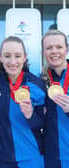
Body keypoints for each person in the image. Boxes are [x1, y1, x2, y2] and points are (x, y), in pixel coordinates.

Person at [0, 36, 46, 168]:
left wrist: (31, 115)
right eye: (7, 56)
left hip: (32, 156)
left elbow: (42, 123)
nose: (12, 61)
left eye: (17, 56)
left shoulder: (36, 84)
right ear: (0, 57)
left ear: (24, 57)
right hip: (4, 158)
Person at [41, 30, 69, 168]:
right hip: (50, 158)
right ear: (43, 52)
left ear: (67, 49)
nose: (54, 51)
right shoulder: (39, 81)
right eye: (49, 48)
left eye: (59, 47)